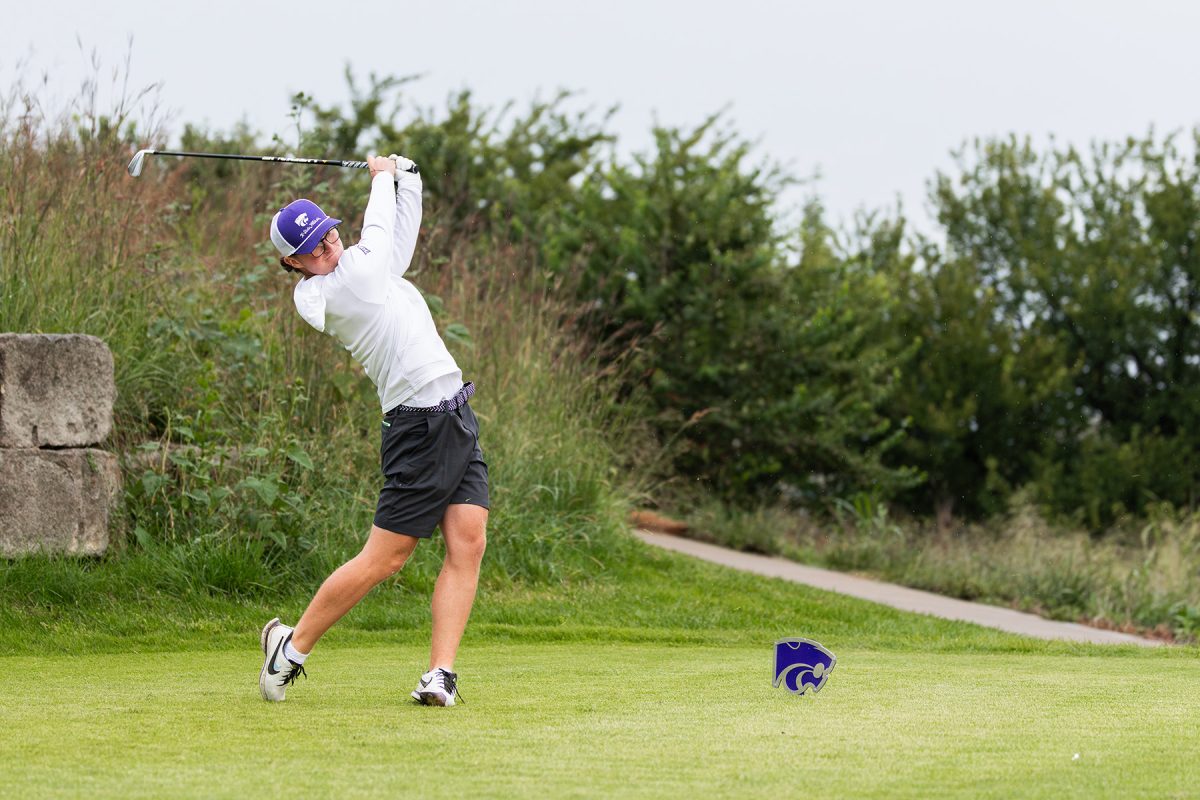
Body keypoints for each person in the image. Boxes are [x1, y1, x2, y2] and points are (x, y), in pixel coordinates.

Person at [258, 154, 489, 707]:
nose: (325, 246)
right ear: (293, 263)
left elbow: (397, 237)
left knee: (469, 541)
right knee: (386, 558)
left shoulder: (366, 266)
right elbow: (380, 233)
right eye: (311, 247)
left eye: (327, 234)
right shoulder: (327, 292)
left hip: (455, 414)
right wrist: (382, 177)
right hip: (417, 429)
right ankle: (290, 650)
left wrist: (410, 180)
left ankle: (440, 673)